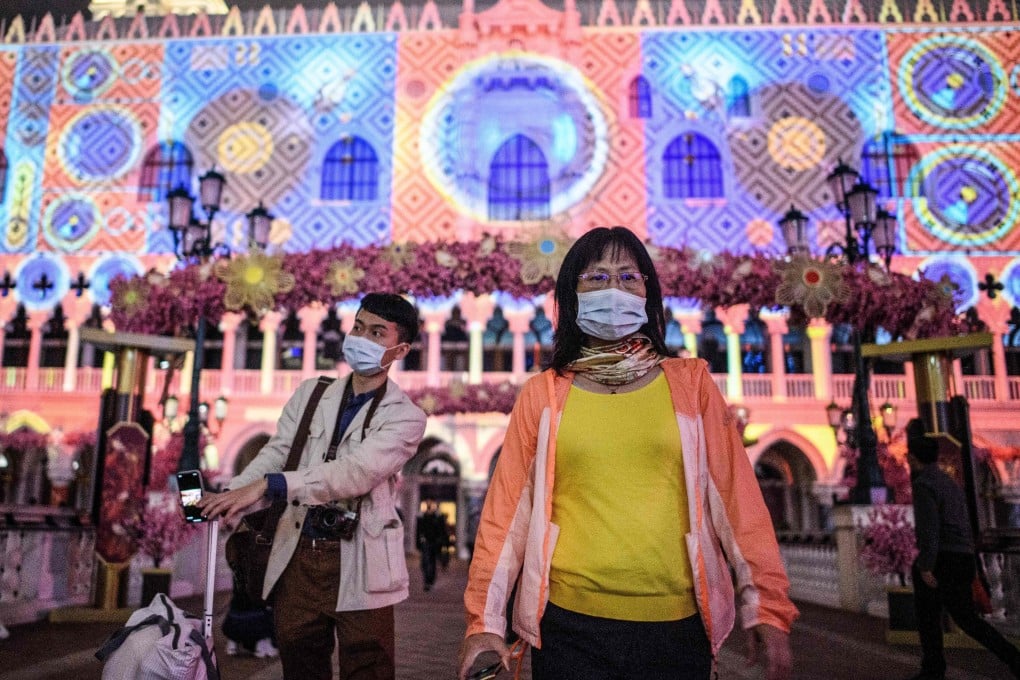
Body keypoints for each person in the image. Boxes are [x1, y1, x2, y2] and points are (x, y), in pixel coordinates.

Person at [458, 226, 797, 680]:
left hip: (677, 628)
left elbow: (738, 502)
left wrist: (766, 605)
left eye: (628, 277)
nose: (613, 289)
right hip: (568, 626)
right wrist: (484, 623)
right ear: (572, 297)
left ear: (647, 294)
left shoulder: (691, 385)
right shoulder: (544, 394)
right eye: (596, 278)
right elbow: (506, 517)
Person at [198, 293, 427, 680]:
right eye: (358, 327)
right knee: (300, 662)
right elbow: (278, 452)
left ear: (400, 350)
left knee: (367, 665)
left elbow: (354, 473)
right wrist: (232, 495)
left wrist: (269, 486)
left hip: (362, 557)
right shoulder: (311, 394)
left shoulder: (406, 417)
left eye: (377, 333)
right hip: (299, 553)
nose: (361, 338)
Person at [905, 418, 1020, 680]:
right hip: (962, 555)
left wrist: (926, 565)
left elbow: (930, 528)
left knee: (928, 617)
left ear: (913, 458)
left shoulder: (924, 485)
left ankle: (933, 669)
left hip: (941, 558)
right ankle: (1012, 656)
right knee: (968, 619)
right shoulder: (950, 483)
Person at [416, 500, 447, 592]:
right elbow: (418, 531)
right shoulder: (422, 517)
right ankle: (427, 581)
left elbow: (442, 531)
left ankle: (430, 582)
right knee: (425, 562)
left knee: (432, 562)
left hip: (435, 543)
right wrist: (418, 543)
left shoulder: (438, 517)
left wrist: (442, 542)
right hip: (425, 542)